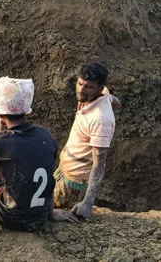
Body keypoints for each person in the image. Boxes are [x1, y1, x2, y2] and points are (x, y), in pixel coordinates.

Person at [0, 77, 77, 230]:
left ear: (0, 114)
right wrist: (51, 213)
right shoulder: (46, 136)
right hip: (39, 217)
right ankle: (47, 211)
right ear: (26, 111)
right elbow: (48, 178)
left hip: (9, 217)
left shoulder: (3, 141)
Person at [54, 63, 121, 218]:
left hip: (74, 182)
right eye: (80, 84)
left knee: (48, 212)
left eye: (88, 87)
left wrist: (87, 203)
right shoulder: (100, 95)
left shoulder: (100, 119)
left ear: (99, 88)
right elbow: (113, 100)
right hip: (63, 170)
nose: (81, 90)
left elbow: (99, 165)